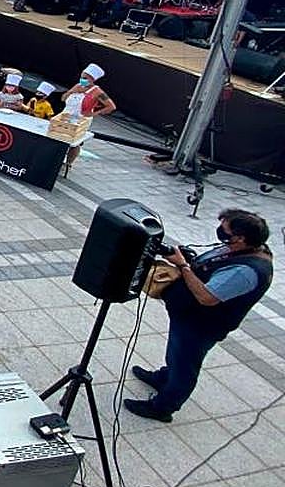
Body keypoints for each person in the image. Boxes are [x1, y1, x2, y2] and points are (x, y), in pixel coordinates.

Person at [125, 209, 273, 422]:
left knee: (185, 365)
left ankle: (163, 407)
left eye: (225, 230)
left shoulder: (246, 270)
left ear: (240, 238)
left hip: (201, 326)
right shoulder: (240, 249)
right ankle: (163, 378)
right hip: (188, 317)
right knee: (176, 354)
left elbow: (207, 297)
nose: (220, 232)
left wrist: (183, 266)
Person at [62, 63, 116, 173]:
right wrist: (71, 91)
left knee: (75, 143)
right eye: (81, 77)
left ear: (92, 79)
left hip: (81, 119)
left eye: (85, 78)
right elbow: (63, 99)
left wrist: (94, 114)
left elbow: (111, 106)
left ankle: (68, 163)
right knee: (61, 137)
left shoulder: (98, 92)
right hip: (66, 115)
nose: (82, 80)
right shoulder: (77, 86)